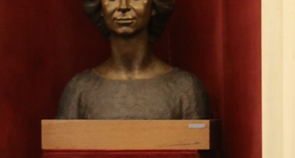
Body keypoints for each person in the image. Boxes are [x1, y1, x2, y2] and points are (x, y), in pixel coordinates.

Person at [56, 0, 209, 119]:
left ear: (154, 6)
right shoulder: (79, 91)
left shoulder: (186, 89)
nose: (123, 6)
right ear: (100, 7)